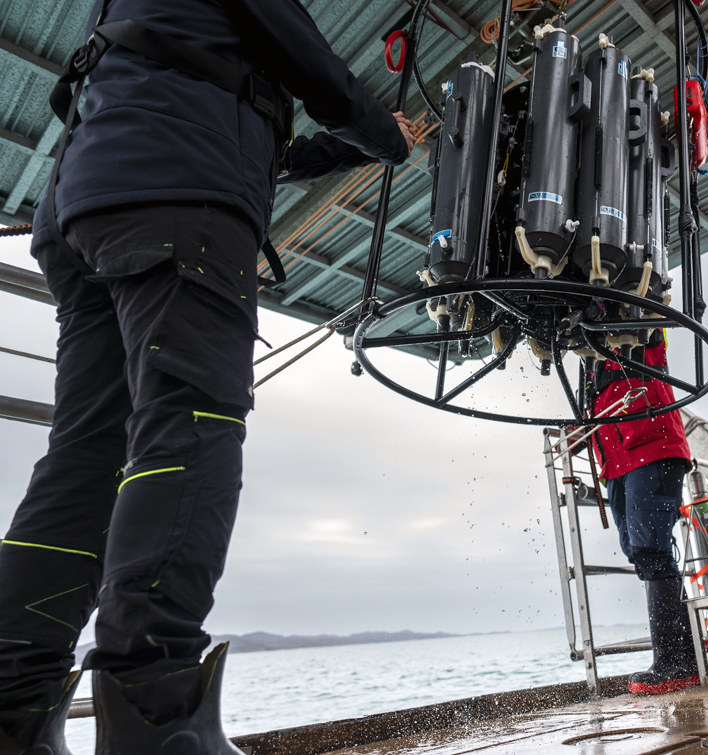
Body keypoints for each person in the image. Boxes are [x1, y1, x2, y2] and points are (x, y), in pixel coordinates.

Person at [0, 1, 413, 752]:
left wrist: (346, 150)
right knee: (193, 420)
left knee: (86, 453)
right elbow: (313, 66)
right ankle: (155, 709)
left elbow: (239, 114)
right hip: (176, 195)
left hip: (85, 205)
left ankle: (13, 709)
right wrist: (387, 137)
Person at [587, 331, 699, 695]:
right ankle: (686, 660)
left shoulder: (639, 333)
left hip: (654, 449)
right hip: (617, 464)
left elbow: (653, 322)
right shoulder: (590, 360)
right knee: (639, 551)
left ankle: (674, 663)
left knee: (651, 550)